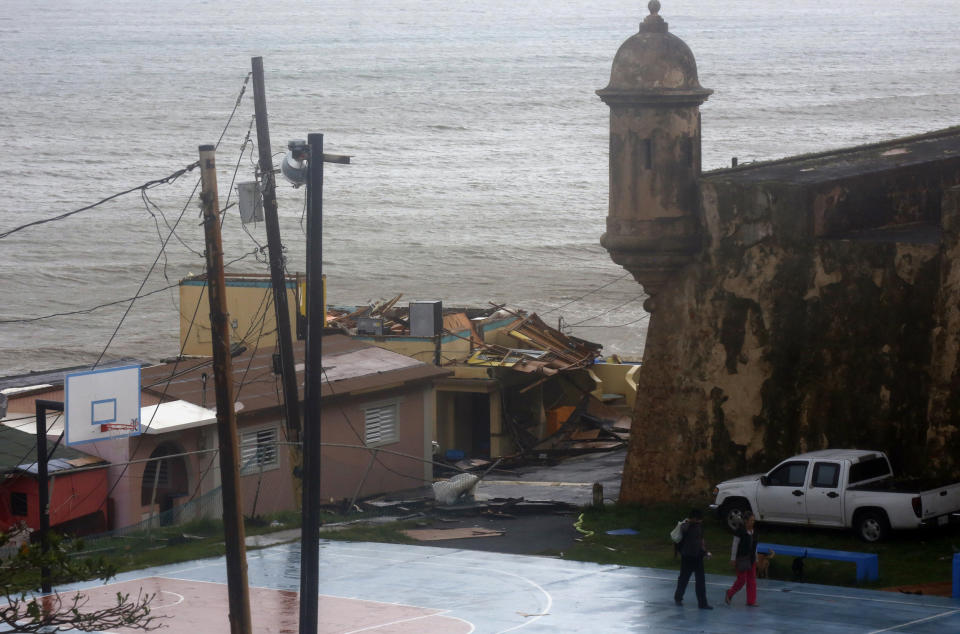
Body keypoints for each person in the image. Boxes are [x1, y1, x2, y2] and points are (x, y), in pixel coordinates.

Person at [673, 509, 712, 609]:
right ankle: (702, 603)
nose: (701, 521)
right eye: (699, 519)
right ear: (695, 519)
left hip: (687, 556)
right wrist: (705, 552)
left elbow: (699, 542)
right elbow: (698, 544)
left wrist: (704, 551)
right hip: (694, 557)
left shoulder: (686, 525)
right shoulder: (694, 528)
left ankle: (678, 597)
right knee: (699, 581)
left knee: (684, 578)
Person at [725, 511, 759, 607]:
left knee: (752, 580)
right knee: (741, 580)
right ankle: (729, 593)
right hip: (741, 559)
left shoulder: (755, 532)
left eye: (753, 520)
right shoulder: (740, 531)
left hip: (751, 559)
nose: (752, 522)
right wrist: (733, 559)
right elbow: (735, 545)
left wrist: (756, 558)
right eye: (751, 520)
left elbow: (755, 546)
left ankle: (751, 601)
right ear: (745, 521)